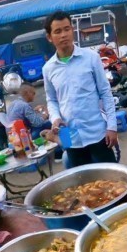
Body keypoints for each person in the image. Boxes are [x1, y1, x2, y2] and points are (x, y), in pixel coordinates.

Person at [42, 11, 118, 167]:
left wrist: (112, 127)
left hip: (97, 133)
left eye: (67, 29)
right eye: (58, 31)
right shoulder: (48, 69)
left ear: (72, 30)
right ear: (49, 37)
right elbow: (52, 99)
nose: (64, 35)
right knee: (81, 186)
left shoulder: (90, 58)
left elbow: (105, 92)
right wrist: (55, 117)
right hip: (68, 135)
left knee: (112, 181)